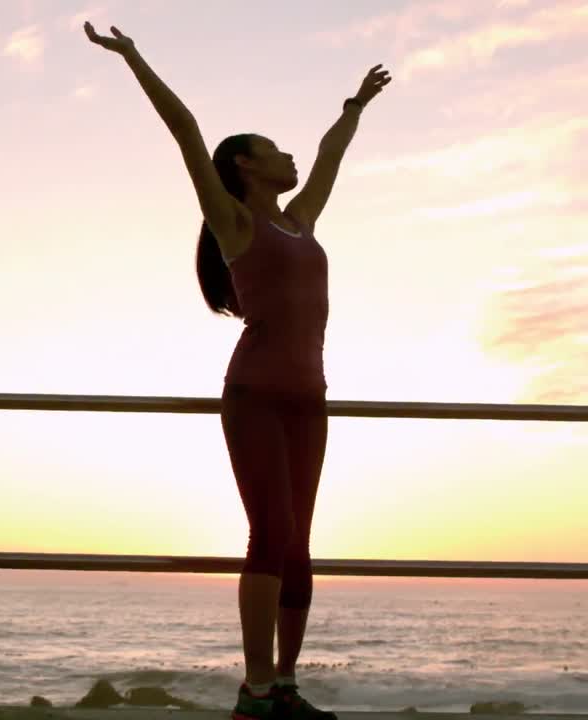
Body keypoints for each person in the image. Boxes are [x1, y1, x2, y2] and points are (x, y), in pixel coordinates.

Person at [85, 20, 392, 720]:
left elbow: (328, 156)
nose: (288, 158)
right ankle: (254, 690)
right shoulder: (233, 222)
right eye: (273, 151)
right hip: (253, 394)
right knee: (270, 534)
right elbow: (186, 130)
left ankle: (284, 682)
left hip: (309, 399)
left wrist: (355, 107)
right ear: (247, 166)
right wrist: (134, 55)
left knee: (301, 545)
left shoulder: (301, 220)